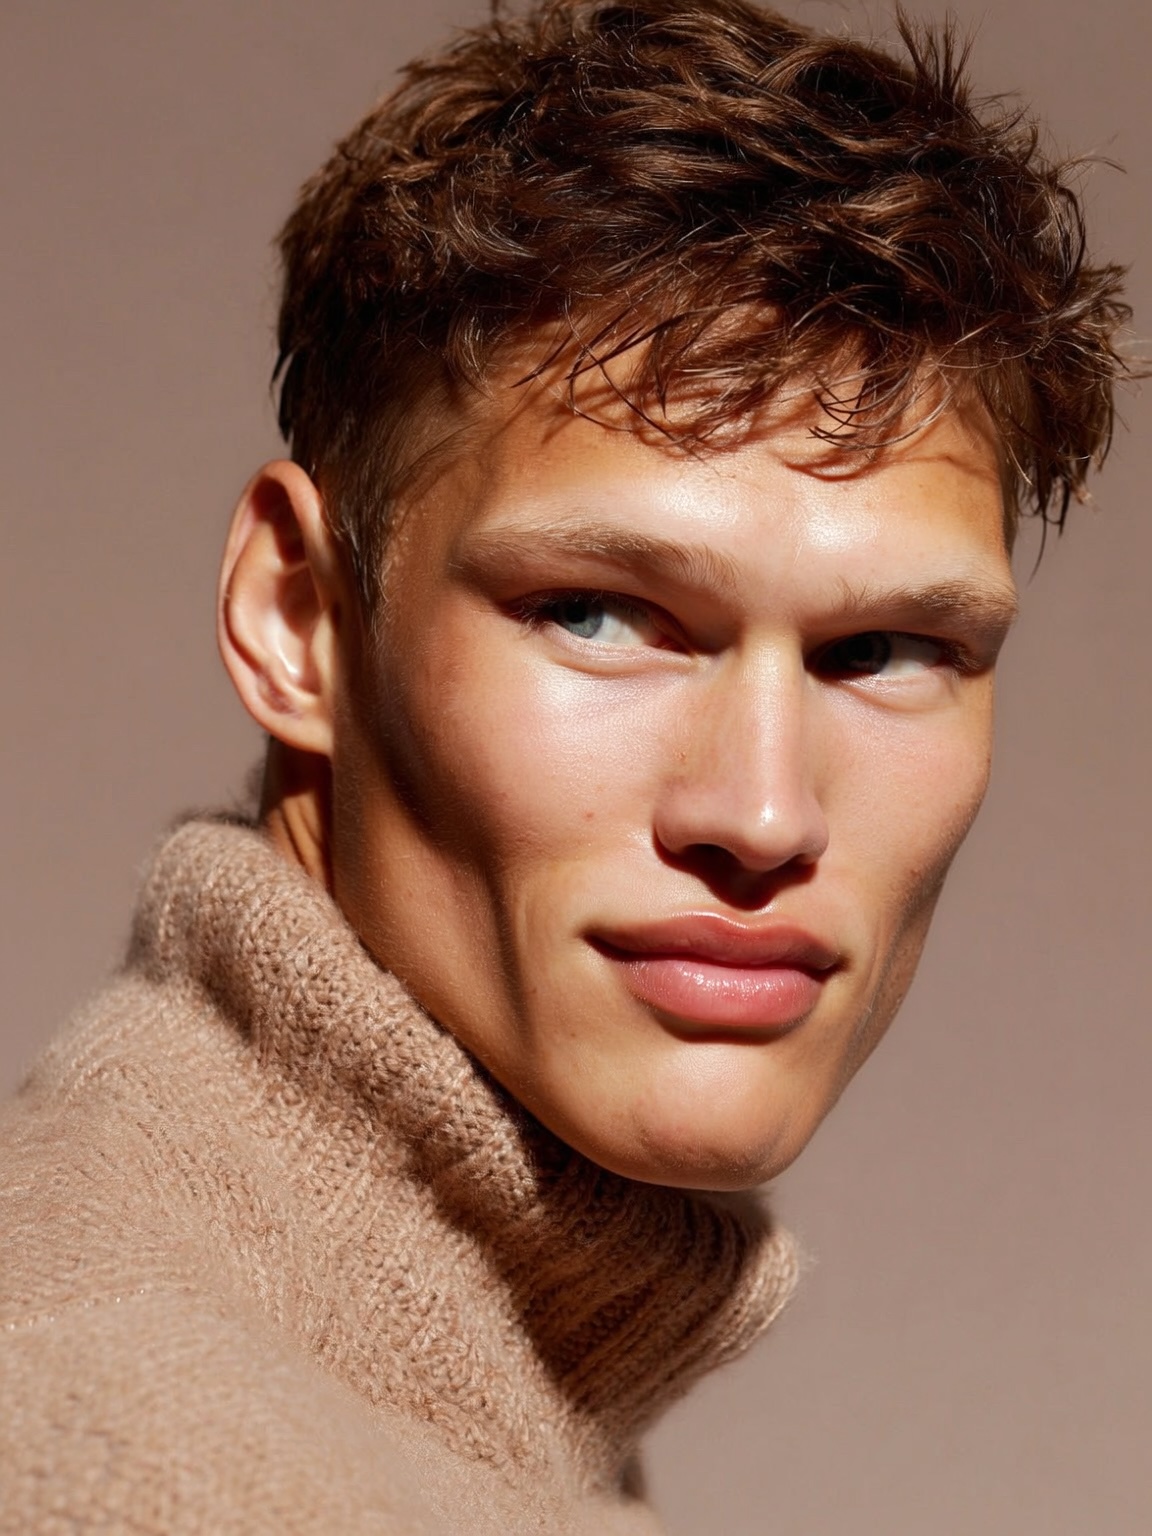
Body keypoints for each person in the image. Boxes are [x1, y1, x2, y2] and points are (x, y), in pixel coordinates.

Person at [0, 1, 1129, 1531]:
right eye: (597, 615)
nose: (762, 813)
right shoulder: (146, 1462)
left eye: (883, 650)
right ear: (298, 620)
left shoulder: (430, 1390)